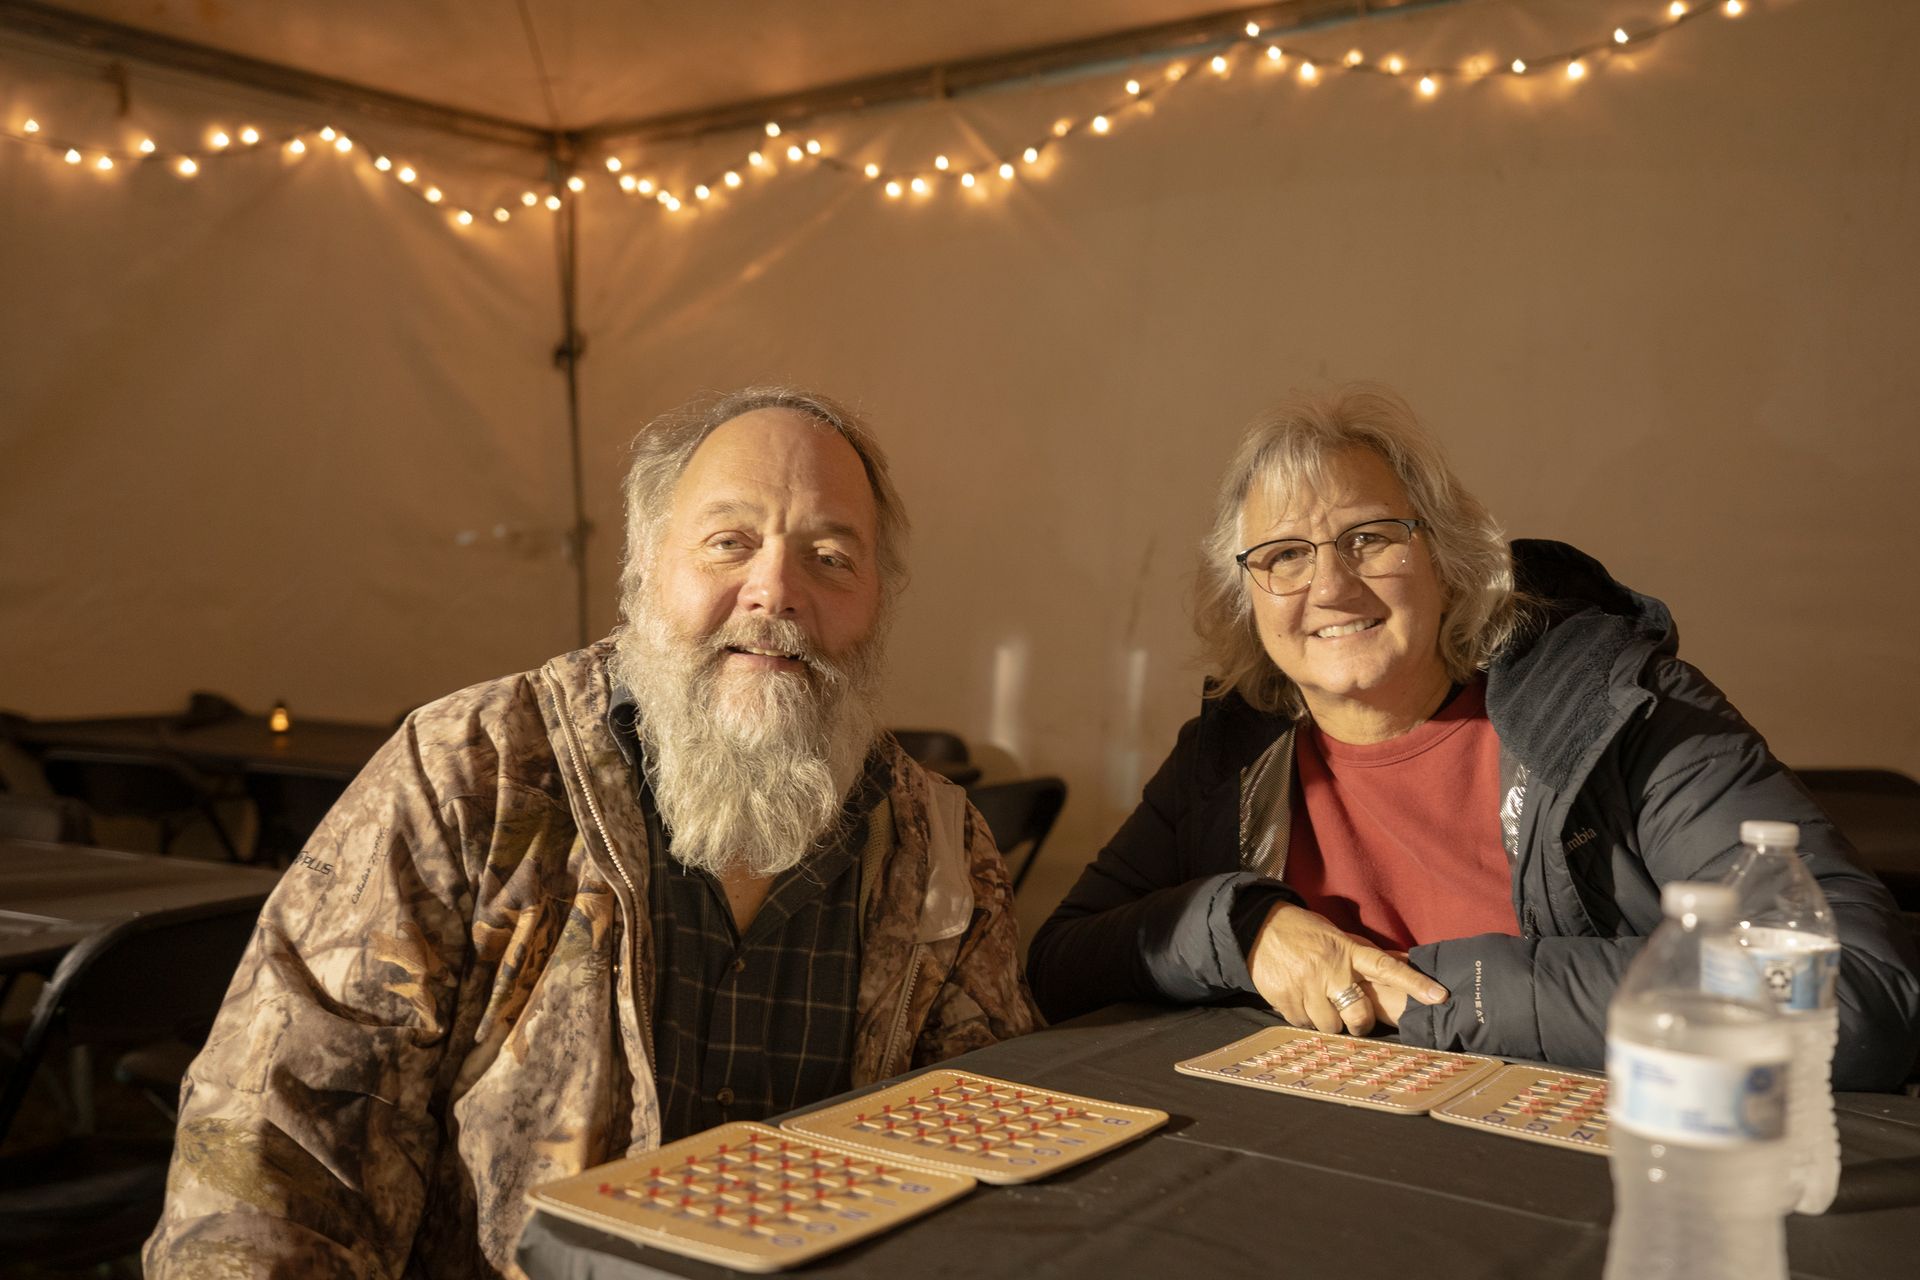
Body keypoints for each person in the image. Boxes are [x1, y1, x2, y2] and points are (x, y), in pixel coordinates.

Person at [145, 388, 1039, 1279]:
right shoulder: (472, 775)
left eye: (832, 556)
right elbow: (274, 1141)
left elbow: (995, 1161)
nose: (776, 589)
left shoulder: (937, 851)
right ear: (648, 566)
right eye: (729, 542)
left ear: (879, 599)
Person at [1028, 384, 1920, 1090]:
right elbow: (1062, 964)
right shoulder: (1232, 751)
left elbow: (1858, 996)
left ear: (1449, 564)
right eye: (1284, 556)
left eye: (1368, 538)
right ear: (1249, 598)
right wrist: (1245, 926)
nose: (1329, 586)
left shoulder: (1616, 707)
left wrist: (1442, 994)